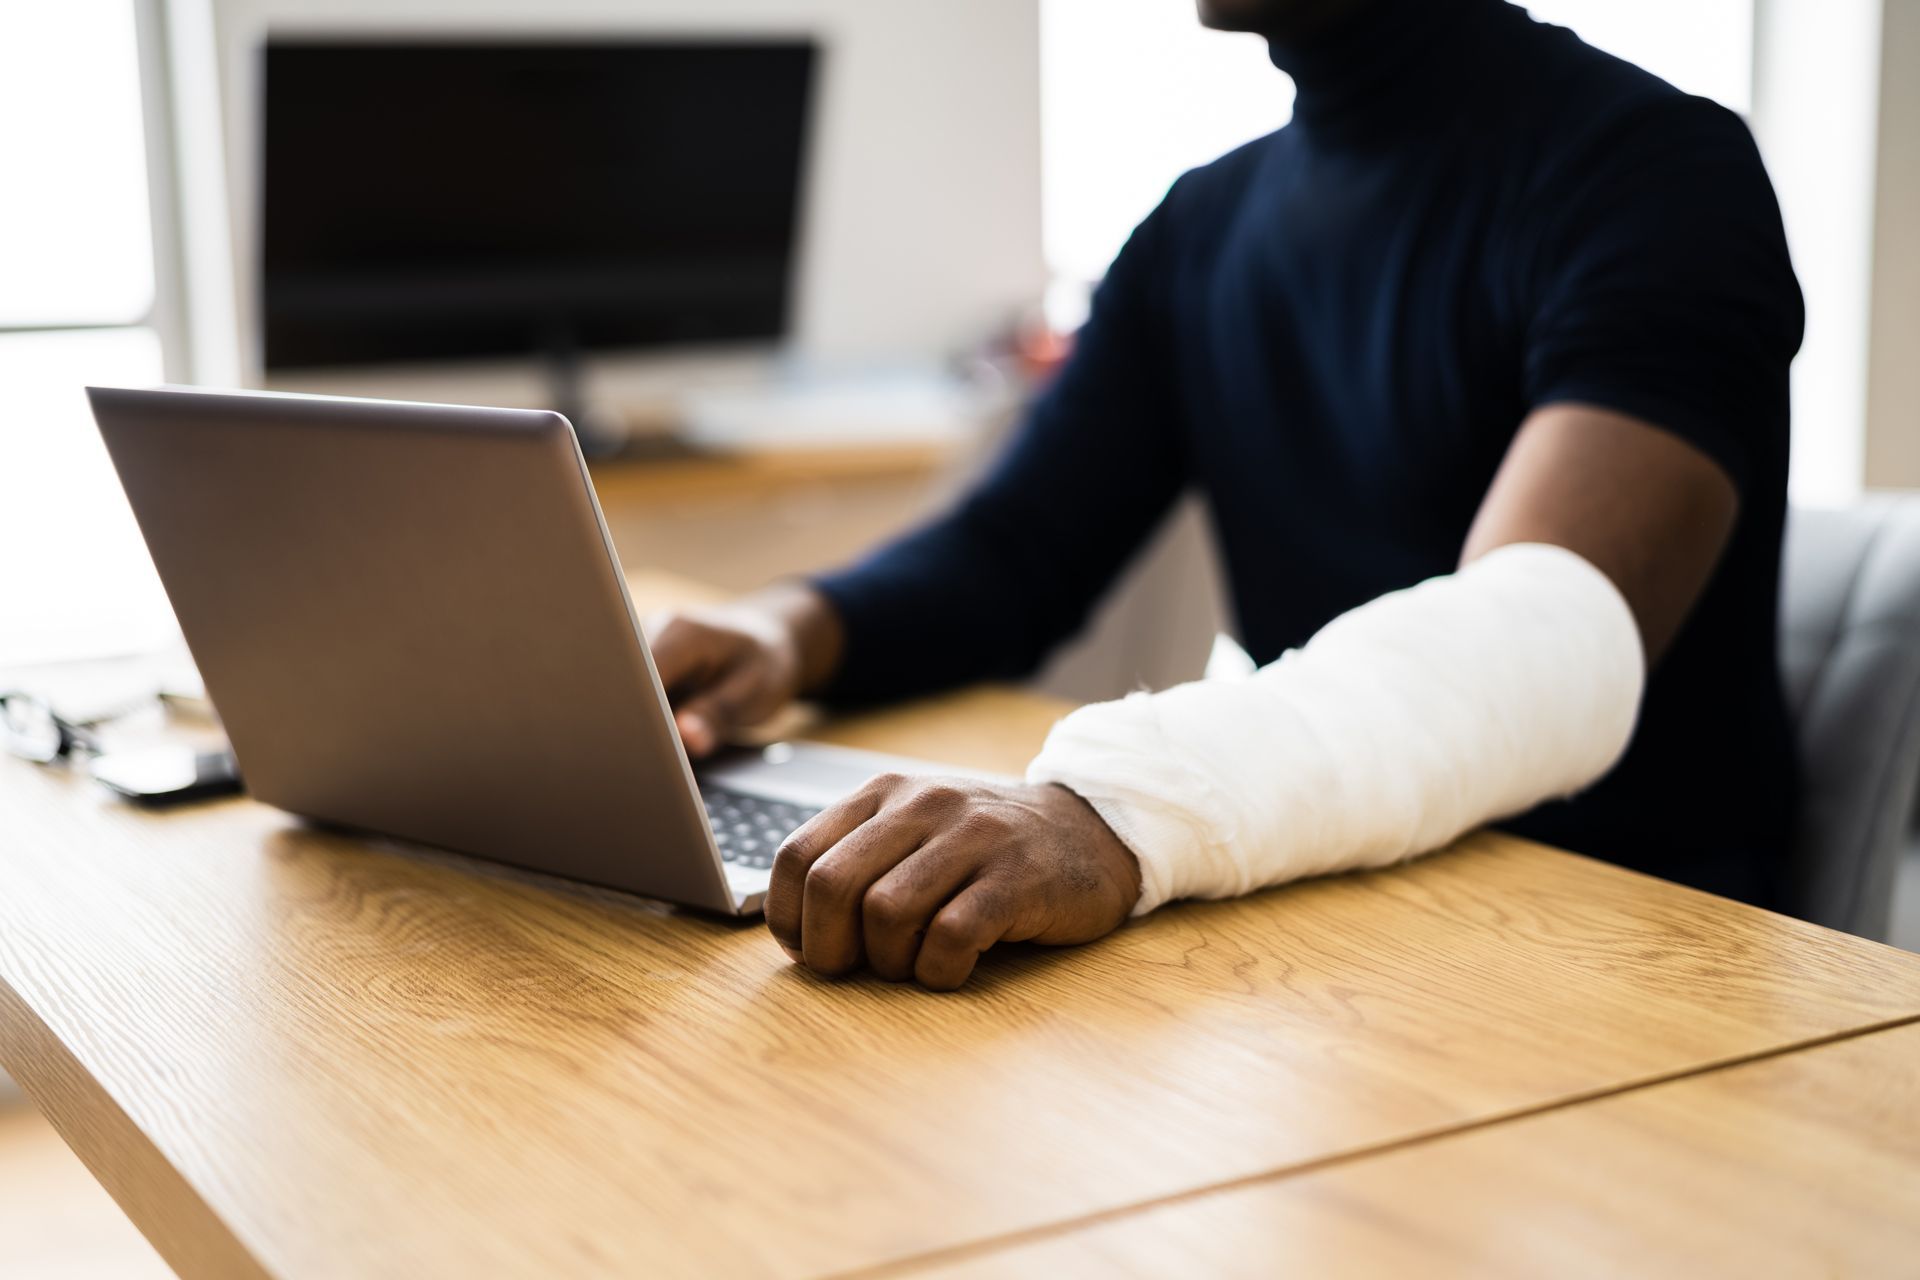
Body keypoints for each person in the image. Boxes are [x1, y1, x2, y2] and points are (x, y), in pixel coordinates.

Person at [646, 0, 1804, 989]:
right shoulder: (1202, 226)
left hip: (1624, 946)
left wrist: (1117, 804)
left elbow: (1543, 636)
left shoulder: (1661, 174)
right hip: (1341, 916)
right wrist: (780, 631)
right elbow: (1014, 554)